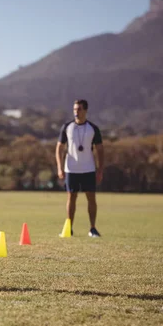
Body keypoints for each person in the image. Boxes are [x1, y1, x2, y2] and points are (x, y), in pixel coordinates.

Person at [56, 99, 104, 237]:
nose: (76, 112)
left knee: (91, 198)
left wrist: (100, 170)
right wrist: (60, 167)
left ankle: (93, 228)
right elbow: (59, 148)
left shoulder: (93, 129)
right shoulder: (67, 127)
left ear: (85, 111)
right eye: (75, 109)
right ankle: (68, 228)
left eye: (79, 109)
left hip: (88, 168)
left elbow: (100, 150)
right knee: (71, 197)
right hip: (71, 169)